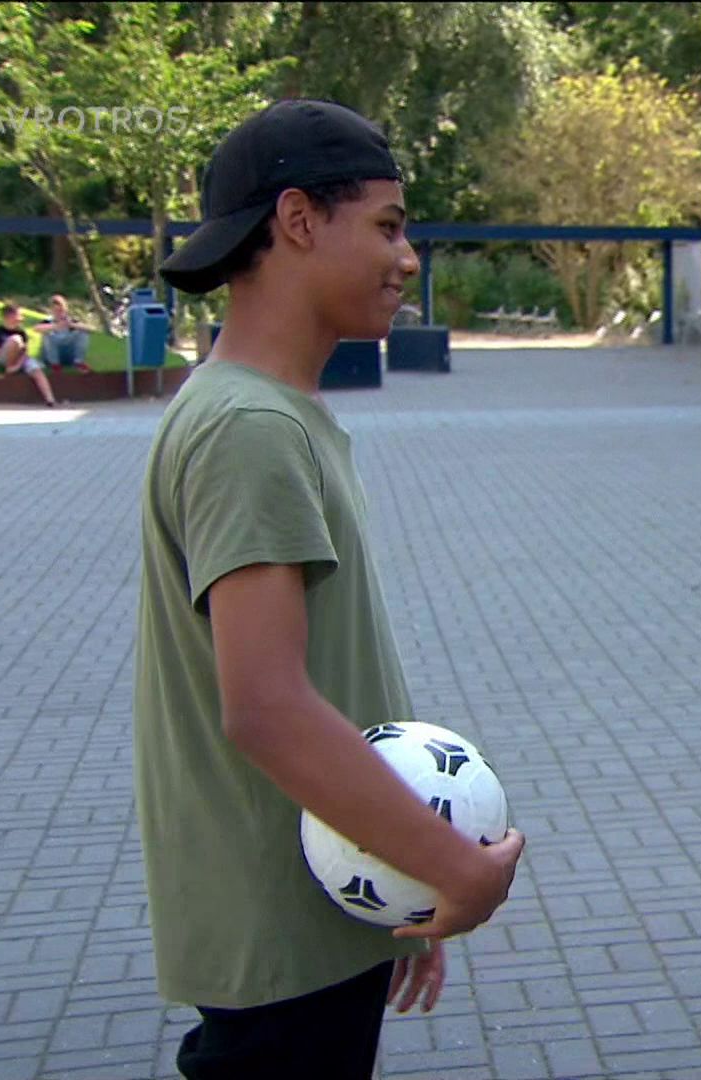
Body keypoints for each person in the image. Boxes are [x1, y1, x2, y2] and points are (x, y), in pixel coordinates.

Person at [135, 99, 526, 1080]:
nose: (407, 259)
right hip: (280, 934)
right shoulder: (250, 429)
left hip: (317, 909)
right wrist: (452, 869)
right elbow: (266, 707)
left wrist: (397, 874)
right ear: (299, 220)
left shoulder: (264, 410)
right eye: (388, 227)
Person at [0, 305, 61, 407]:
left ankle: (50, 399)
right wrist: (9, 348)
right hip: (4, 358)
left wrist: (18, 364)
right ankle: (10, 367)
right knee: (15, 340)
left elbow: (25, 352)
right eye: (19, 315)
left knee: (36, 369)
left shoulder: (21, 332)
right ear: (10, 316)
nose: (21, 318)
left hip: (21, 359)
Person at [35, 293, 94, 372]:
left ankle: (79, 362)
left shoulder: (71, 321)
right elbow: (37, 328)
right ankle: (55, 365)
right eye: (57, 310)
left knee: (83, 333)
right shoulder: (48, 321)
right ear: (52, 310)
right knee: (47, 334)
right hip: (51, 356)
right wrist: (56, 326)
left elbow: (91, 329)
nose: (59, 313)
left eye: (61, 310)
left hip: (68, 355)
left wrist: (71, 325)